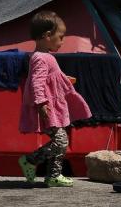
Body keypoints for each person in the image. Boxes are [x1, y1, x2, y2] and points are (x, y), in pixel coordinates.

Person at [18, 11, 91, 187]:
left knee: (61, 140)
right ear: (47, 35)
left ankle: (53, 175)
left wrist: (63, 79)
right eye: (61, 36)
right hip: (46, 106)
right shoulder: (40, 58)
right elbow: (37, 82)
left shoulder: (45, 57)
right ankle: (30, 160)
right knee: (61, 140)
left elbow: (50, 78)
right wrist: (41, 103)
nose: (62, 41)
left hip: (51, 105)